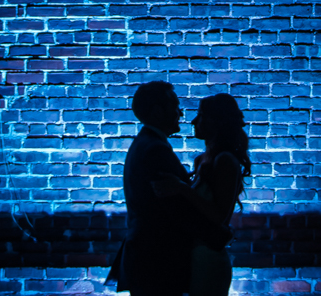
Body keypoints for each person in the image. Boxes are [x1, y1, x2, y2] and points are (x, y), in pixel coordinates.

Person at [153, 92, 249, 296]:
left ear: (217, 121)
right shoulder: (202, 161)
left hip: (209, 257)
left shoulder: (225, 161)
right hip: (194, 253)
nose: (194, 121)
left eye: (201, 115)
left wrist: (182, 188)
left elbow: (220, 216)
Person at [107, 80, 194, 295]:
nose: (180, 114)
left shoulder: (145, 144)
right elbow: (179, 208)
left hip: (146, 258)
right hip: (158, 261)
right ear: (157, 111)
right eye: (174, 107)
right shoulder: (155, 149)